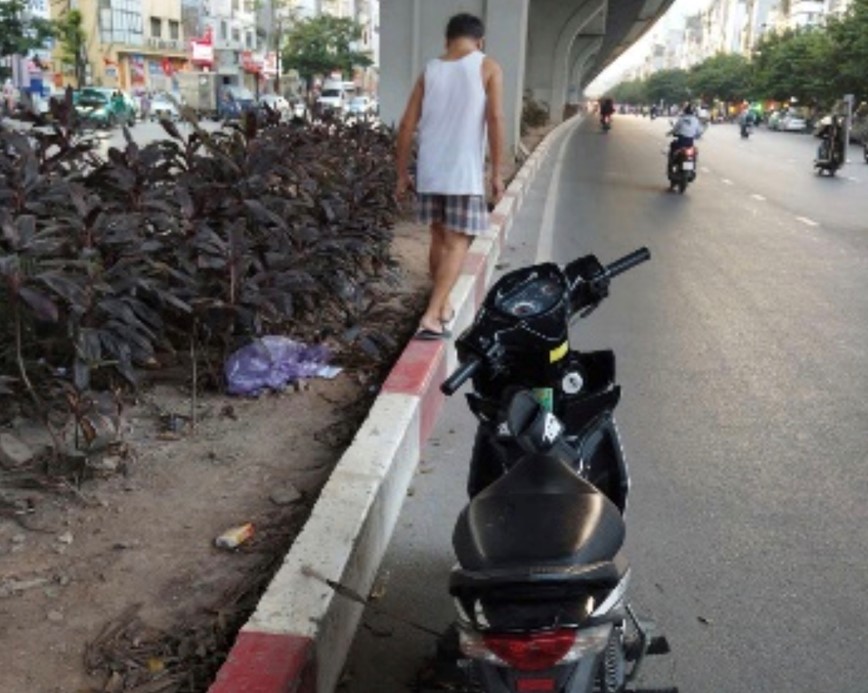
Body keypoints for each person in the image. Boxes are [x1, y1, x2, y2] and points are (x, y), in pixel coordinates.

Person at [395, 13, 505, 340]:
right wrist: (496, 172)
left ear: (447, 41)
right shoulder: (488, 67)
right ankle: (431, 315)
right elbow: (496, 118)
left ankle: (441, 305)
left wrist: (402, 172)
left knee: (439, 238)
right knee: (458, 242)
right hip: (462, 171)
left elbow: (405, 126)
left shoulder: (430, 70)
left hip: (430, 169)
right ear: (479, 41)